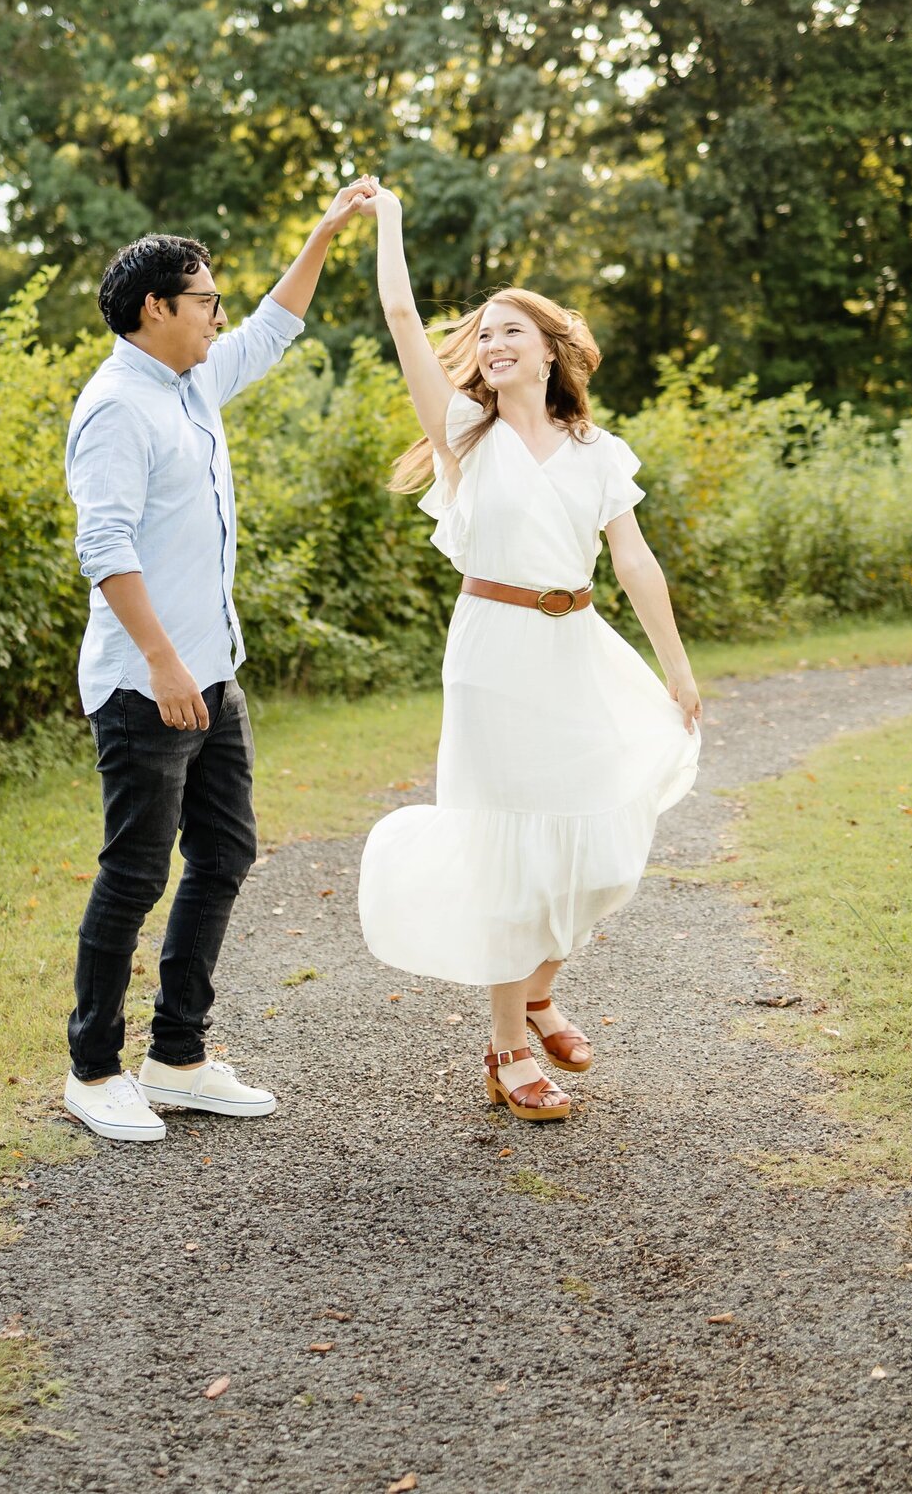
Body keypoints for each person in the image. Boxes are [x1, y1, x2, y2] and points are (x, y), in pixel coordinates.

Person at [357, 183, 702, 1121]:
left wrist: (675, 665)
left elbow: (634, 562)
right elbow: (399, 312)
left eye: (517, 332)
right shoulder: (464, 435)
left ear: (552, 352)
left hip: (577, 645)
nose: (497, 344)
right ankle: (507, 1048)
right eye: (487, 335)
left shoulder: (599, 452)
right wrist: (387, 217)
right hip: (491, 654)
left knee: (603, 847)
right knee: (510, 848)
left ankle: (541, 989)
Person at [64, 183, 372, 1141]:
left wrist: (321, 232)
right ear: (156, 308)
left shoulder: (191, 380)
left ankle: (179, 1054)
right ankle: (93, 1068)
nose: (219, 315)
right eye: (204, 299)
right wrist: (161, 665)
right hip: (145, 684)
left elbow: (277, 325)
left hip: (214, 673)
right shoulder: (117, 406)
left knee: (226, 853)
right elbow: (105, 548)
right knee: (135, 872)